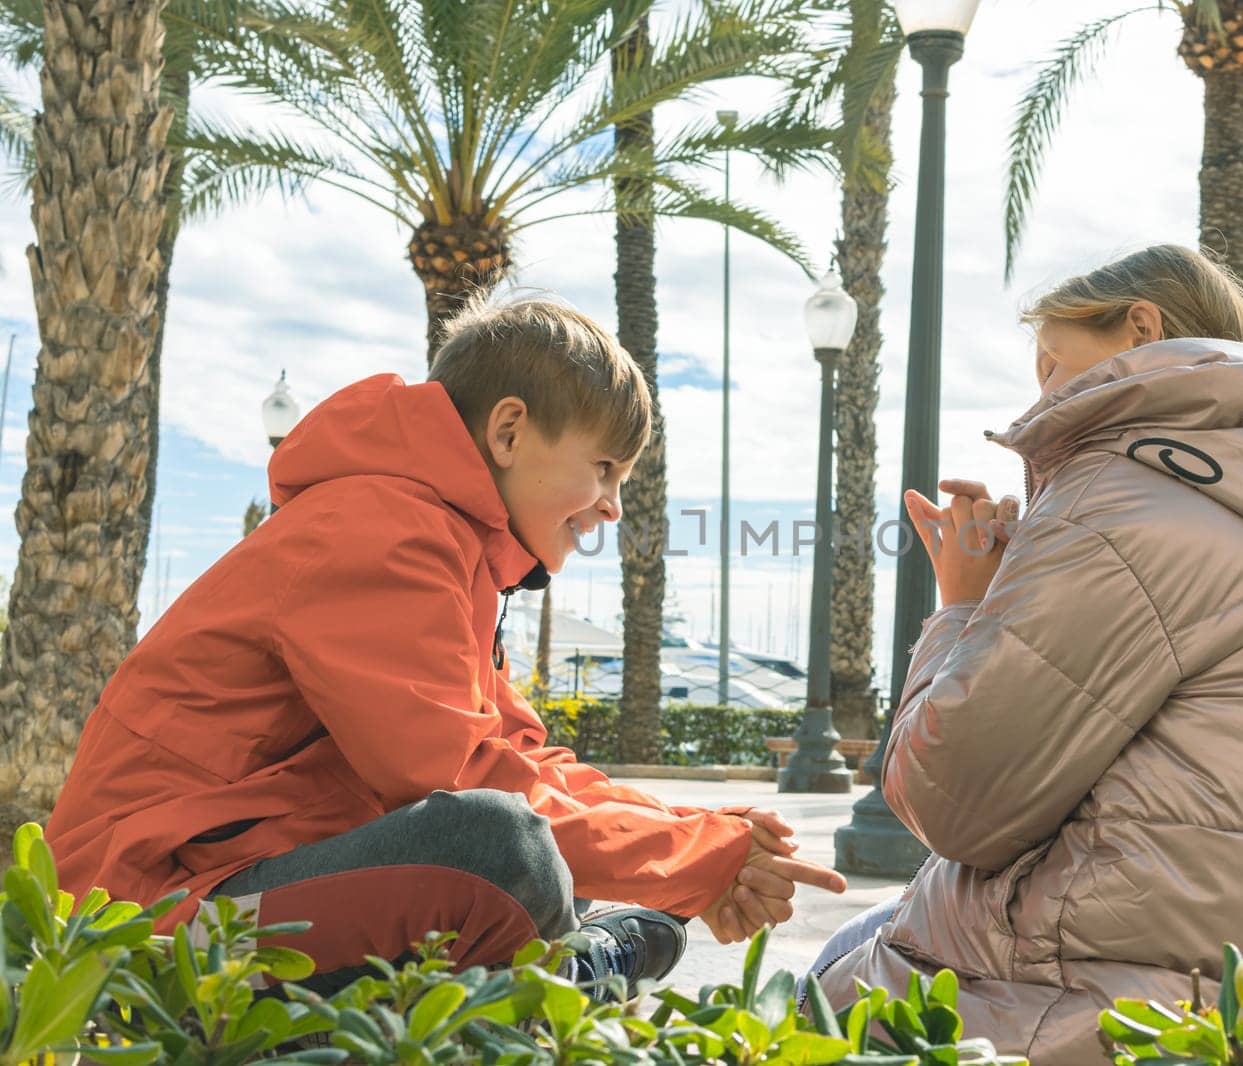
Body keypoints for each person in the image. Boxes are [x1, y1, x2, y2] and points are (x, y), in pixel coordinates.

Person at [812, 245, 1243, 1059]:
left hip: (1157, 1003)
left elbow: (952, 803)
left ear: (1142, 328)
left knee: (837, 976)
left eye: (1053, 364)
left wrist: (966, 603)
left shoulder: (1125, 488)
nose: (1042, 392)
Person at [46, 296, 846, 994]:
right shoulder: (379, 531)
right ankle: (570, 969)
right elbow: (456, 780)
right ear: (508, 431)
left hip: (238, 879)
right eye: (603, 469)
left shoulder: (452, 554)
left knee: (600, 878)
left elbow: (526, 762)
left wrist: (702, 833)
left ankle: (567, 963)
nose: (611, 508)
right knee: (498, 847)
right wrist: (700, 857)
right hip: (142, 917)